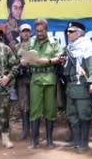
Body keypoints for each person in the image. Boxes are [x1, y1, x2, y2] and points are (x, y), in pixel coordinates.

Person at [21, 19, 63, 149]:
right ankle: (34, 140)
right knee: (35, 110)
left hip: (49, 78)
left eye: (42, 31)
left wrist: (48, 60)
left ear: (46, 30)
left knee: (50, 110)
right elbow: (23, 57)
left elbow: (60, 58)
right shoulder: (31, 42)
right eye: (37, 31)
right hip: (36, 79)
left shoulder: (54, 42)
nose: (39, 33)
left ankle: (50, 140)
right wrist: (24, 61)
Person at [62, 21, 92, 153]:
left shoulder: (87, 46)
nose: (68, 34)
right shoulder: (70, 47)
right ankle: (76, 140)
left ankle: (84, 143)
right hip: (71, 85)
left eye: (71, 31)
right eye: (68, 31)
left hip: (83, 86)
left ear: (80, 33)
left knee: (84, 115)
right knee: (72, 114)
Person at [14, 23, 32, 140]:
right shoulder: (16, 47)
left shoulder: (35, 44)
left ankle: (34, 131)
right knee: (23, 105)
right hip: (21, 79)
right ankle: (25, 130)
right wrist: (20, 64)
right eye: (23, 31)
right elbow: (12, 63)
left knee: (36, 105)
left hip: (34, 78)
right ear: (20, 33)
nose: (25, 33)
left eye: (28, 31)